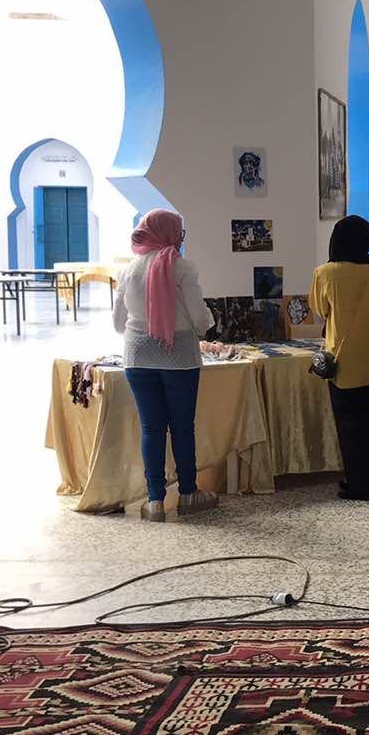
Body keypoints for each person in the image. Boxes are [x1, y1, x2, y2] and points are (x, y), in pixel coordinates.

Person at [112, 210, 217, 521]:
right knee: (182, 427)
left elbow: (118, 323)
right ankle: (188, 494)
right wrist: (207, 324)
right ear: (171, 233)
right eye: (179, 233)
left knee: (151, 428)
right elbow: (199, 317)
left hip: (138, 356)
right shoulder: (182, 267)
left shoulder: (128, 270)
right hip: (179, 357)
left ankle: (155, 501)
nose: (181, 239)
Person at [310, 216, 369, 501]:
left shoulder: (325, 273)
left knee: (349, 430)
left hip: (343, 364)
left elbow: (320, 309)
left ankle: (362, 486)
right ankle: (368, 481)